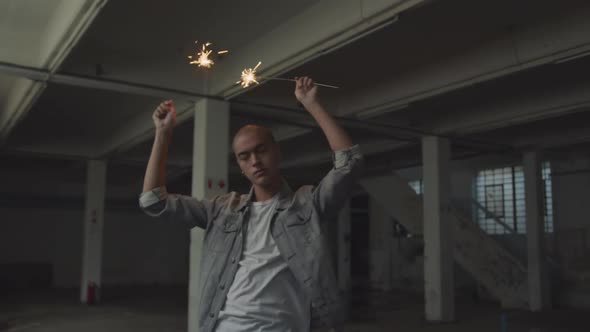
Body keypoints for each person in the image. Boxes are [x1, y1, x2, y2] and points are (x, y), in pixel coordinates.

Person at [139, 77, 364, 332]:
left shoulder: (306, 204)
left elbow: (350, 164)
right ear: (241, 168)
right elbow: (153, 202)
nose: (255, 161)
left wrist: (311, 104)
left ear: (277, 152)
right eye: (245, 157)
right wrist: (163, 134)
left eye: (261, 150)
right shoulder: (222, 209)